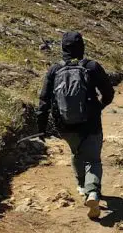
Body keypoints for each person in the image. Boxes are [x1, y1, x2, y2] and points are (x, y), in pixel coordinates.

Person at [37, 32, 114, 219]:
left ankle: (81, 186)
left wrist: (41, 127)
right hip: (91, 122)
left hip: (64, 125)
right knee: (93, 160)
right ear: (82, 47)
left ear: (63, 48)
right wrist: (99, 107)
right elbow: (109, 93)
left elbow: (43, 101)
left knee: (76, 153)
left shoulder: (55, 70)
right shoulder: (92, 67)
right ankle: (93, 192)